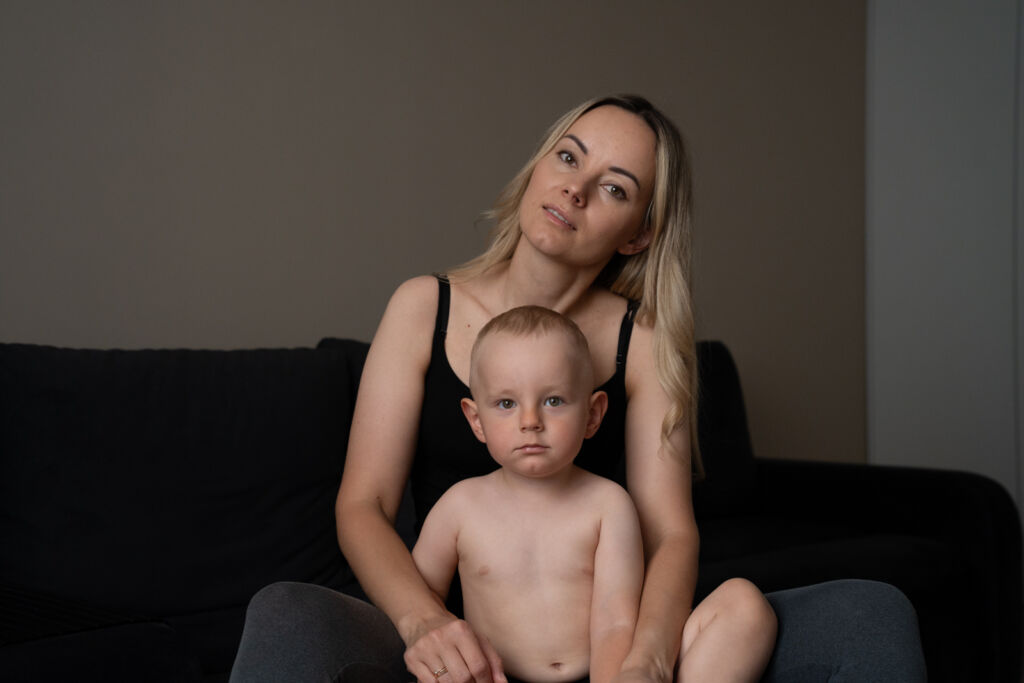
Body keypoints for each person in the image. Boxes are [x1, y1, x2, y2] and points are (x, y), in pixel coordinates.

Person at [230, 94, 926, 683]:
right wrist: (426, 624)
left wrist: (648, 657)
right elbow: (363, 506)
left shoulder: (643, 338)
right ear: (539, 166)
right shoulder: (422, 306)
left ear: (638, 235)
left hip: (606, 642)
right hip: (455, 641)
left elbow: (669, 532)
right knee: (286, 612)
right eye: (568, 157)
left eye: (615, 187)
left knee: (870, 612)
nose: (576, 188)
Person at [412, 304, 755, 683]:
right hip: (496, 677)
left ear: (593, 414)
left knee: (745, 604)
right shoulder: (459, 507)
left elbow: (616, 621)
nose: (530, 422)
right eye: (507, 404)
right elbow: (422, 600)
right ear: (476, 420)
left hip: (603, 674)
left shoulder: (608, 505)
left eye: (553, 401)